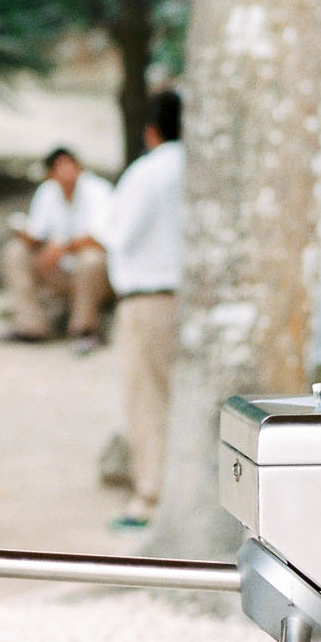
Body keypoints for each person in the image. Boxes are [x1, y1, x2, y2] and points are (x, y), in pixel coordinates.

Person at [103, 89, 185, 532]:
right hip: (189, 298)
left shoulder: (147, 172)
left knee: (146, 397)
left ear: (151, 130)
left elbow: (122, 235)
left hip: (148, 298)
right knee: (176, 394)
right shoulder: (202, 167)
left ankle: (149, 497)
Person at [0, 146, 114, 351]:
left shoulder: (98, 190)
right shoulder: (48, 192)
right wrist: (26, 235)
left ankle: (85, 329)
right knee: (15, 251)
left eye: (69, 165)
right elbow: (37, 233)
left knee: (91, 258)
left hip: (95, 274)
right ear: (50, 174)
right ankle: (31, 325)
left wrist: (63, 247)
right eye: (59, 168)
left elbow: (102, 238)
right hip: (58, 269)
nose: (65, 172)